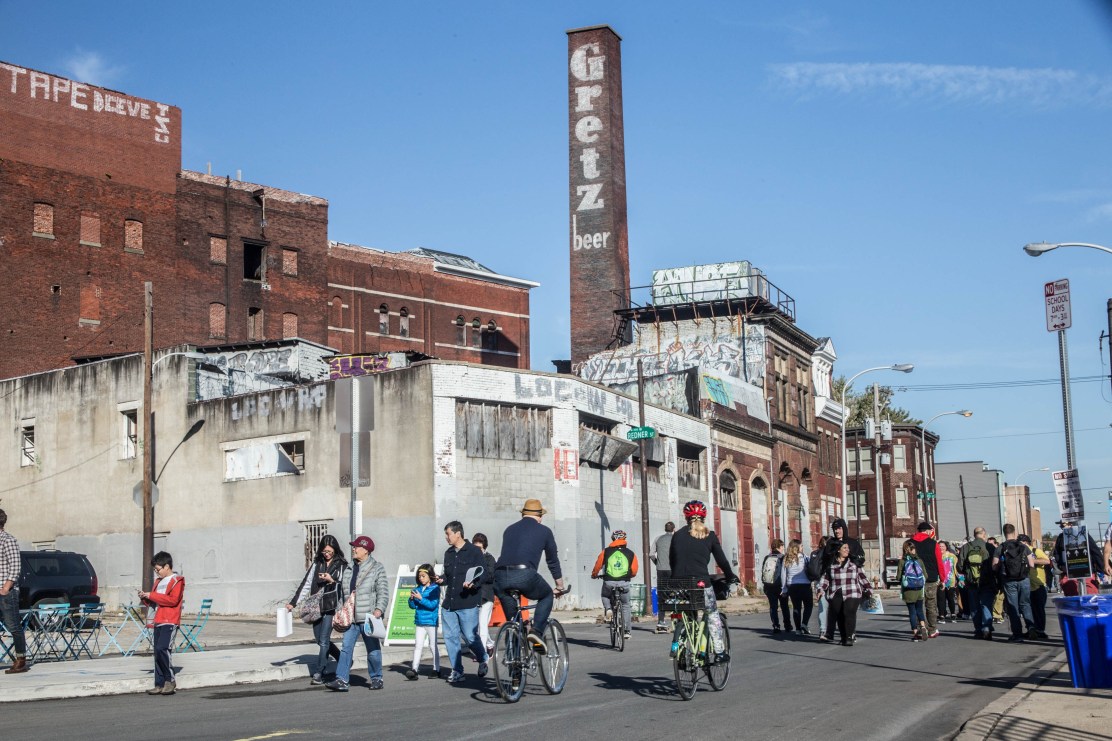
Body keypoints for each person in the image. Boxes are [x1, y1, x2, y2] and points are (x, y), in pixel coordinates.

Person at [495, 499, 566, 655]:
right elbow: (552, 561)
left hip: (499, 577)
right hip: (524, 574)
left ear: (523, 514)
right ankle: (536, 632)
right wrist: (560, 586)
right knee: (546, 594)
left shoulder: (509, 529)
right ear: (540, 515)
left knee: (514, 622)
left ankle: (515, 670)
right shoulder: (545, 531)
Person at [668, 500, 738, 657]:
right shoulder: (709, 535)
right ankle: (719, 652)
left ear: (686, 517)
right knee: (712, 613)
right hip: (700, 583)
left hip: (678, 585)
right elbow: (722, 561)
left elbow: (673, 561)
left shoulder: (677, 535)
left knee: (687, 611)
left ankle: (679, 643)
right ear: (704, 517)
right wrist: (730, 576)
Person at [326, 535, 388, 692]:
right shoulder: (348, 569)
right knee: (346, 648)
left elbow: (383, 592)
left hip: (368, 617)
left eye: (357, 547)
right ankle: (341, 680)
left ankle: (376, 678)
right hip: (351, 619)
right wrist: (340, 610)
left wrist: (379, 610)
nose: (353, 549)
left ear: (366, 550)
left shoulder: (377, 568)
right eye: (353, 546)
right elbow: (343, 592)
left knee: (372, 649)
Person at [286, 534, 346, 685]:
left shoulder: (342, 564)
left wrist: (331, 580)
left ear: (335, 550)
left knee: (324, 639)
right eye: (324, 551)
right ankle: (342, 658)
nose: (326, 554)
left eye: (329, 551)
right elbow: (306, 584)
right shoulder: (317, 563)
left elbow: (345, 585)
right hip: (316, 606)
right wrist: (293, 603)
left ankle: (319, 672)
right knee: (320, 640)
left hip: (331, 606)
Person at [438, 521, 489, 683]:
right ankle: (457, 670)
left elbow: (484, 574)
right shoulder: (448, 553)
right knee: (451, 637)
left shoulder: (474, 552)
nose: (446, 537)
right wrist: (441, 579)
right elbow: (448, 576)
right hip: (449, 604)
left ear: (458, 533)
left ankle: (482, 657)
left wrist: (474, 583)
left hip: (467, 602)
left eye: (448, 534)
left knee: (469, 636)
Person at [138, 551, 185, 695]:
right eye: (154, 570)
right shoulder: (158, 582)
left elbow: (172, 600)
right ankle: (159, 683)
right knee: (157, 652)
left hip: (170, 620)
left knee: (163, 649)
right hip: (158, 619)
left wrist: (152, 595)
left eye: (157, 569)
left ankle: (169, 680)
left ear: (167, 566)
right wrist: (145, 597)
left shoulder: (177, 580)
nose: (156, 572)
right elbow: (155, 601)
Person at [817, 542, 872, 646]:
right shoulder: (831, 565)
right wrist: (821, 590)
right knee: (839, 615)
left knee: (849, 612)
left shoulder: (854, 564)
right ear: (838, 550)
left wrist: (869, 589)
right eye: (845, 548)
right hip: (836, 592)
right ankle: (844, 637)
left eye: (848, 548)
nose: (847, 550)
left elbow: (862, 577)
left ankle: (850, 636)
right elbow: (825, 579)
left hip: (852, 591)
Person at [591, 529, 639, 640]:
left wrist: (594, 574)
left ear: (613, 539)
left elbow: (598, 565)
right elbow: (634, 570)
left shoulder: (606, 551)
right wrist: (628, 576)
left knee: (605, 596)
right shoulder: (631, 553)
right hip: (624, 582)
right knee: (626, 605)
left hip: (609, 581)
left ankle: (608, 609)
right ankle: (627, 631)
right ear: (624, 539)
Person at [993, 523, 1036, 643]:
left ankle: (1017, 634)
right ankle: (1031, 627)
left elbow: (994, 566)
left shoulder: (1001, 547)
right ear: (1014, 532)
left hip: (1009, 580)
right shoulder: (1023, 546)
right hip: (1024, 579)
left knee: (1013, 607)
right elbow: (1032, 564)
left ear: (1004, 532)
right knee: (1025, 604)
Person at [0, 508, 28, 674]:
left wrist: (6, 587)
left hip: (6, 592)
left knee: (13, 626)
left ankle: (21, 660)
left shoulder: (7, 540)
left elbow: (15, 566)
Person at [958, 527, 997, 640]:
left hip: (971, 581)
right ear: (984, 534)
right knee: (986, 605)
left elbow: (960, 566)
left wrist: (967, 572)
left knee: (974, 607)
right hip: (987, 581)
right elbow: (996, 565)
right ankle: (987, 628)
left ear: (974, 534)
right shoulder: (989, 547)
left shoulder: (966, 547)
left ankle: (978, 630)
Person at [405, 564, 441, 680]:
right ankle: (414, 669)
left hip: (431, 621)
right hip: (420, 621)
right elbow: (413, 606)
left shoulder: (435, 588)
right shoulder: (418, 589)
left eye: (423, 576)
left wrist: (420, 598)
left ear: (430, 576)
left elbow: (432, 605)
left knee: (432, 645)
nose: (421, 578)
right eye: (419, 576)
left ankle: (436, 669)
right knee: (418, 645)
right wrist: (411, 600)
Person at [912, 522, 944, 638]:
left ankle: (920, 628)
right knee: (931, 604)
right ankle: (932, 629)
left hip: (914, 578)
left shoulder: (910, 543)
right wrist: (942, 578)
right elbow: (939, 561)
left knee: (917, 604)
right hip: (930, 577)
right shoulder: (933, 543)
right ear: (927, 531)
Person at [472, 533, 498, 654]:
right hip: (473, 596)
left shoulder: (489, 559)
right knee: (476, 627)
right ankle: (489, 644)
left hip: (486, 596)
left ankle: (481, 655)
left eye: (480, 548)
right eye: (475, 548)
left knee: (482, 625)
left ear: (484, 548)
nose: (477, 550)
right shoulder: (470, 559)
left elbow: (491, 576)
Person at [780, 539, 813, 635]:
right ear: (797, 547)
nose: (802, 548)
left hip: (792, 586)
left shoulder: (786, 558)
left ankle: (798, 629)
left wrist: (784, 588)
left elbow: (783, 575)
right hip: (805, 585)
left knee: (796, 607)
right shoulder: (804, 557)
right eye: (801, 546)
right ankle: (804, 623)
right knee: (808, 605)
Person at [1022, 534, 1051, 641]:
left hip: (1038, 584)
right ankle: (1031, 629)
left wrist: (1032, 561)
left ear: (1025, 542)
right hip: (1026, 584)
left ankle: (1040, 630)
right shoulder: (1019, 551)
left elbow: (1047, 561)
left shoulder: (1035, 550)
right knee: (1028, 609)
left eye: (1021, 542)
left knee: (1039, 609)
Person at [898, 539, 928, 641]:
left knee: (912, 612)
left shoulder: (903, 561)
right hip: (919, 589)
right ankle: (923, 627)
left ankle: (915, 634)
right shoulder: (919, 560)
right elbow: (926, 576)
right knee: (919, 609)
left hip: (908, 590)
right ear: (913, 549)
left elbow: (898, 577)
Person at [760, 539, 790, 634]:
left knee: (773, 607)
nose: (783, 548)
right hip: (780, 586)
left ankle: (776, 626)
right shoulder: (783, 557)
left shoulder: (767, 557)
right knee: (784, 606)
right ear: (779, 547)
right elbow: (786, 572)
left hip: (769, 586)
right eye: (782, 547)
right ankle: (787, 625)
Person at [651, 521, 676, 632]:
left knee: (662, 595)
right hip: (673, 570)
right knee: (675, 593)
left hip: (661, 570)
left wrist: (657, 563)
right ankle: (676, 620)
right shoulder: (676, 539)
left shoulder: (658, 539)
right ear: (673, 529)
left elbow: (651, 554)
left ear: (665, 529)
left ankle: (661, 621)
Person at [810, 536, 829, 637]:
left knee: (822, 607)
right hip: (830, 581)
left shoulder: (815, 553)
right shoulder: (829, 553)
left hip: (818, 582)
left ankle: (822, 630)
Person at [937, 541, 959, 624]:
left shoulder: (952, 556)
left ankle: (953, 614)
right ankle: (942, 615)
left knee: (950, 599)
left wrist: (960, 579)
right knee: (941, 599)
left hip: (950, 580)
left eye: (943, 546)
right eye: (939, 546)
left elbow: (956, 568)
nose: (941, 548)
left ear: (946, 547)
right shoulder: (936, 556)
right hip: (939, 581)